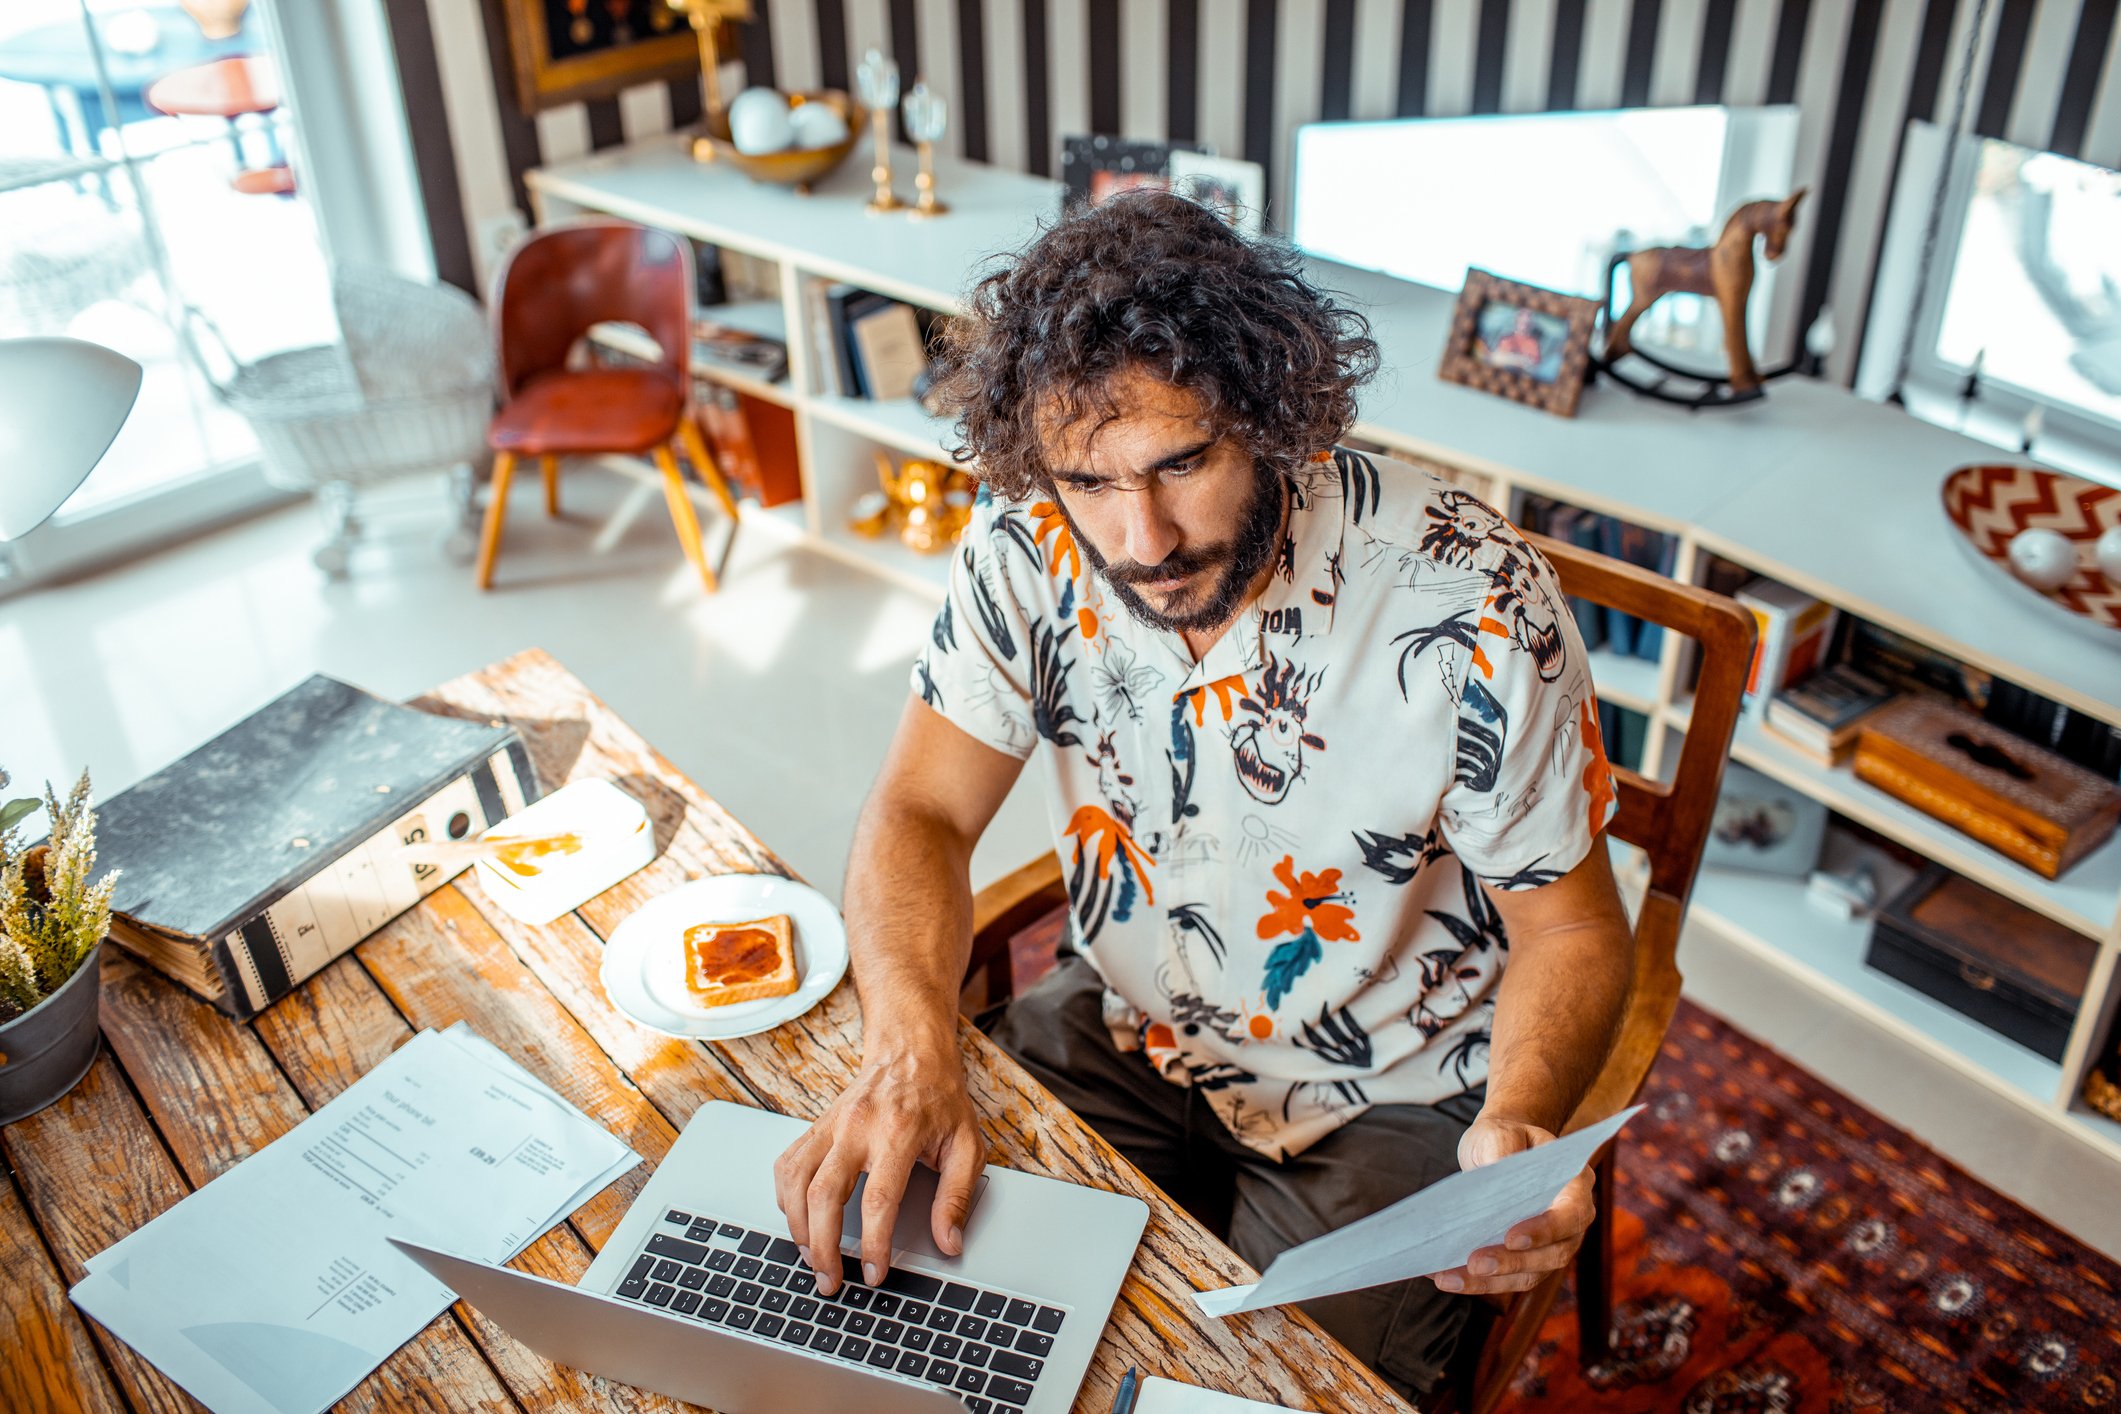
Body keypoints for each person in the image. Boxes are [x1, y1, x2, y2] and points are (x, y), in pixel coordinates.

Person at [772, 191, 1635, 1399]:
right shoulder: (1028, 541)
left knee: (1272, 1393)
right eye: (1090, 479)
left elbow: (1577, 924)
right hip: (1127, 1022)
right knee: (914, 1314)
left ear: (1270, 411)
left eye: (1183, 462)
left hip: (1389, 1084)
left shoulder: (1472, 600)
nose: (1145, 537)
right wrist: (909, 1042)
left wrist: (1523, 1115)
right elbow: (921, 807)